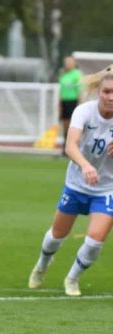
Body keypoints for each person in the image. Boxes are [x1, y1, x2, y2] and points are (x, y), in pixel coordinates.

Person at [29, 65, 113, 296]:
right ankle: (42, 266)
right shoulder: (84, 112)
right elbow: (70, 145)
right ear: (99, 91)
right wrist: (85, 166)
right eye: (107, 91)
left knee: (96, 240)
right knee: (57, 235)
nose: (110, 96)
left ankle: (72, 278)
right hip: (77, 184)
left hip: (107, 188)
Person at [58, 56, 83, 153]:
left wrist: (79, 105)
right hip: (64, 102)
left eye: (70, 62)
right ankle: (65, 149)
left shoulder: (77, 74)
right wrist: (59, 105)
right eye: (66, 62)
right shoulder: (63, 74)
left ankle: (74, 148)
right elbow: (61, 91)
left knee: (72, 126)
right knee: (64, 126)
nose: (68, 64)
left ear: (74, 63)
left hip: (73, 102)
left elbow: (80, 90)